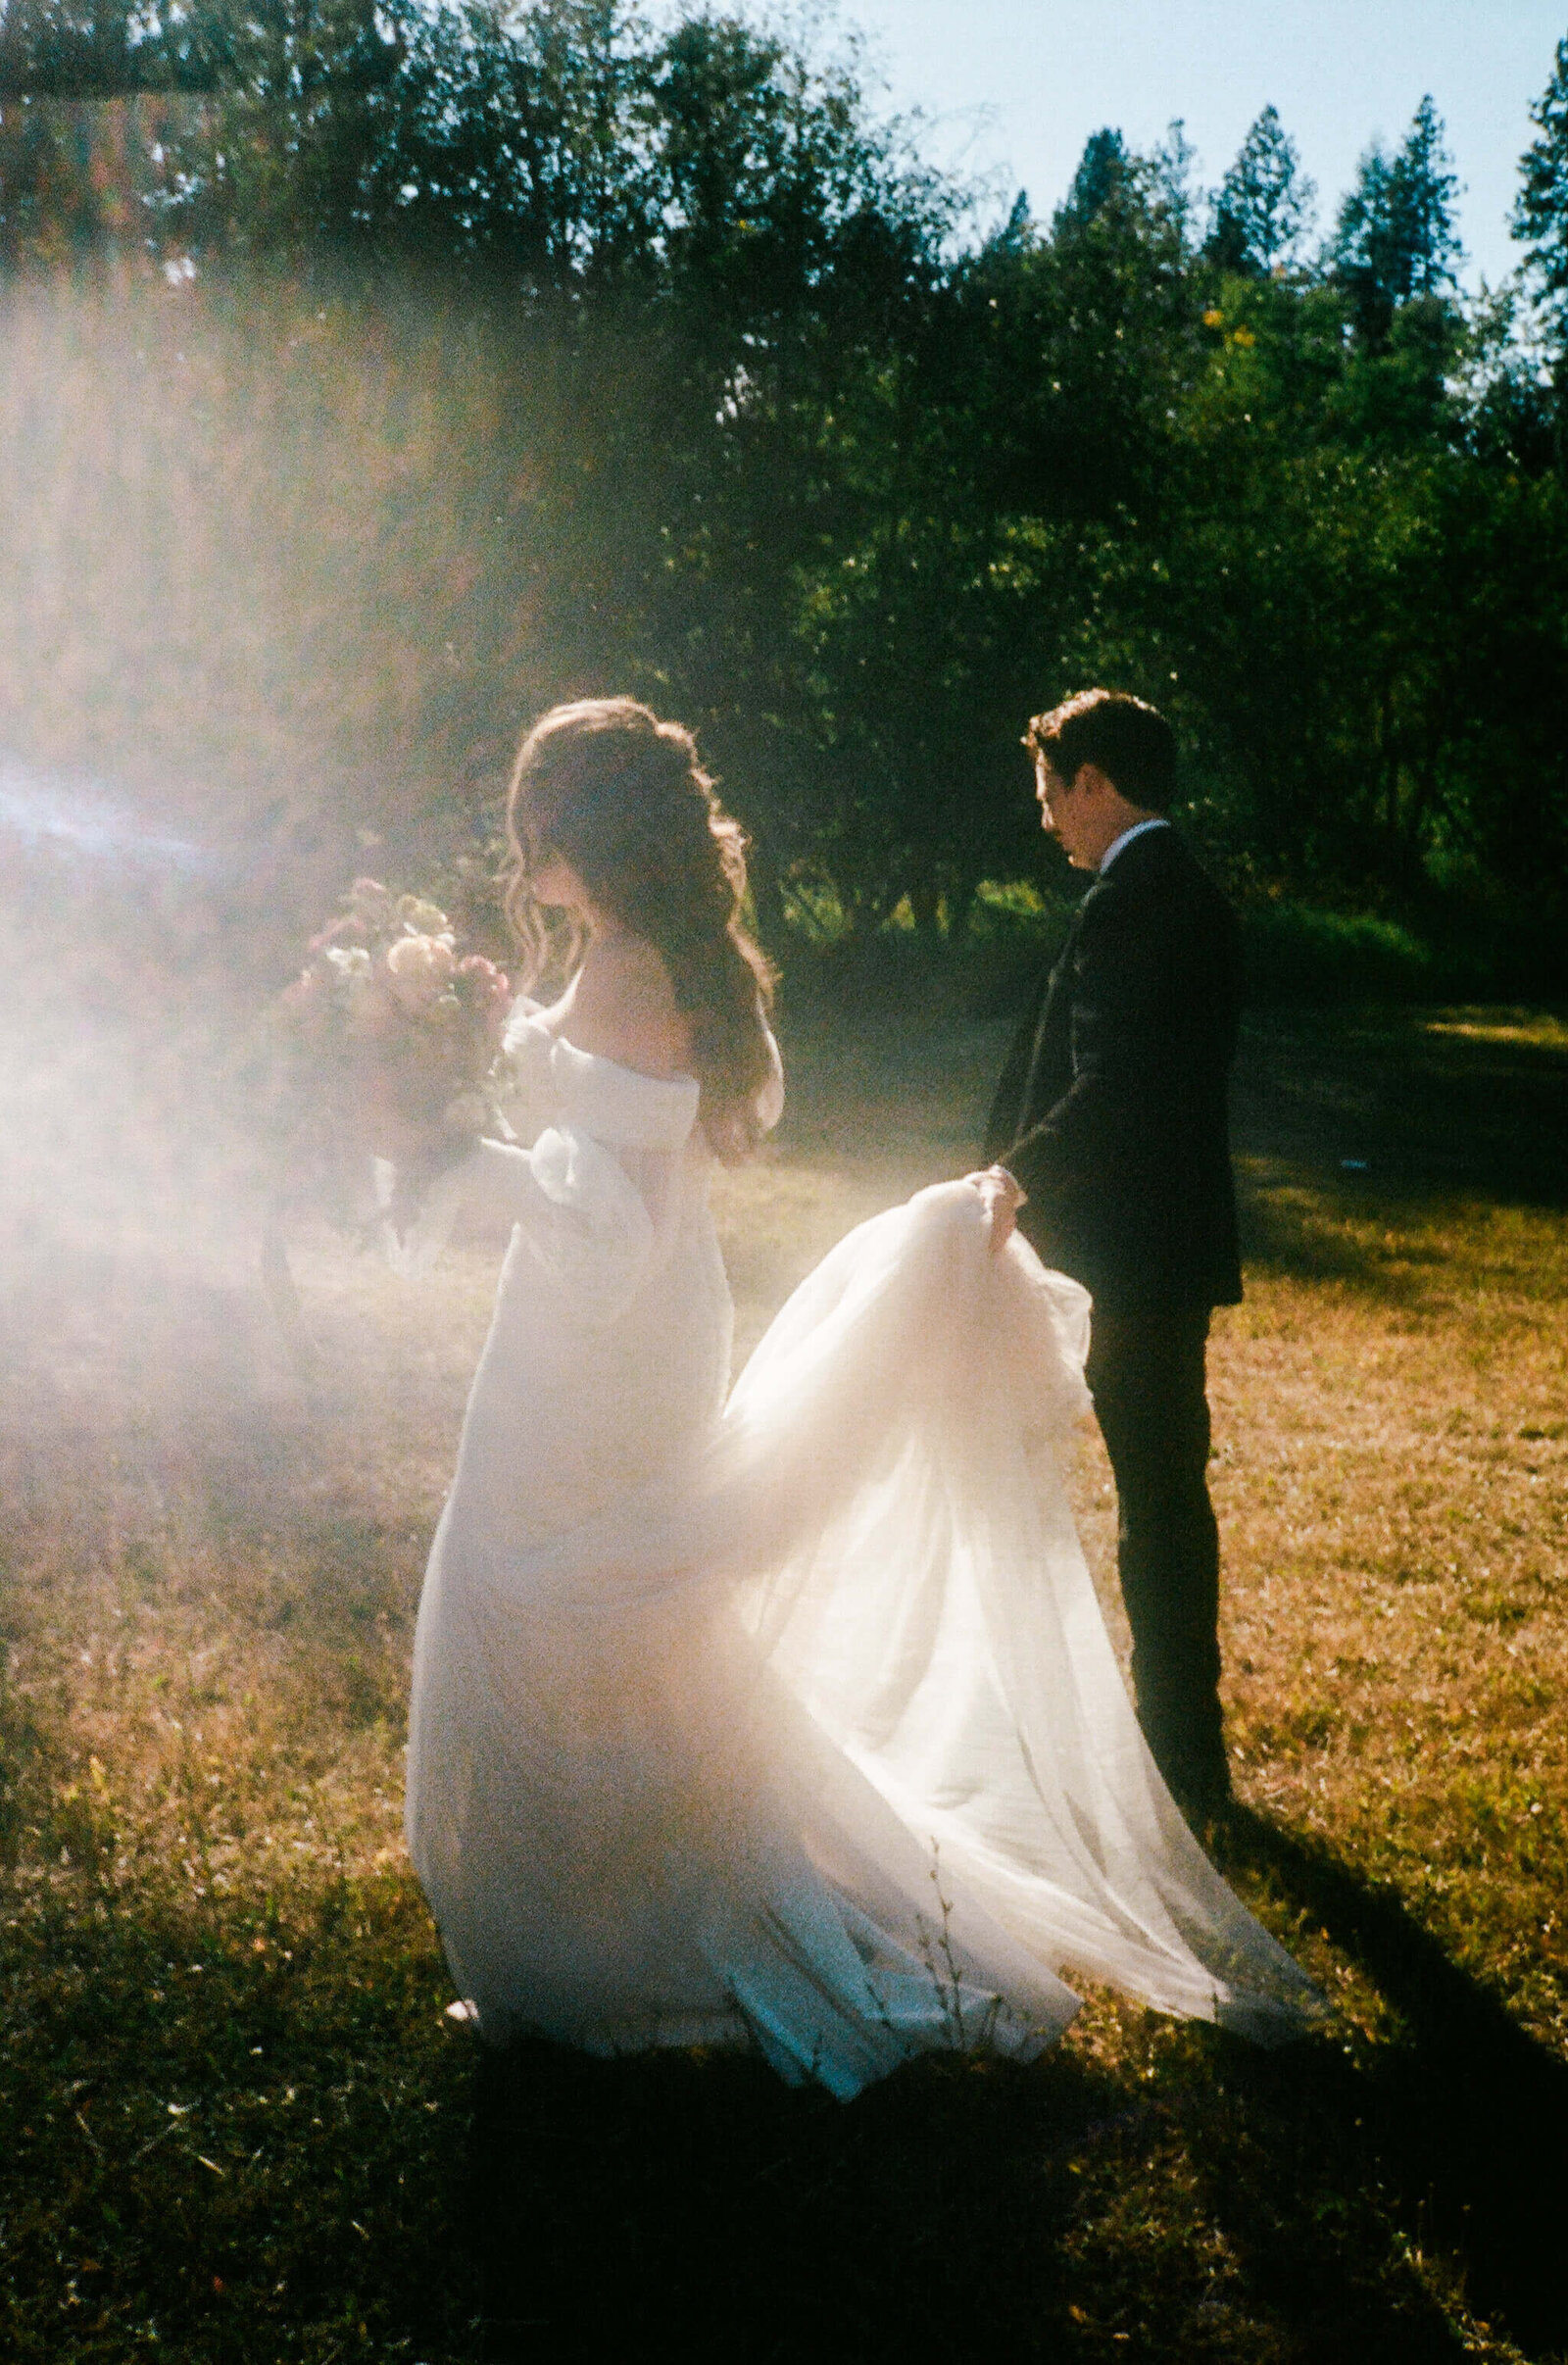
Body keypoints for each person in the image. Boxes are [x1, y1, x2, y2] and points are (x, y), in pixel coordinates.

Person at [401, 695, 1315, 2099]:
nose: (519, 840)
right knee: (610, 1611)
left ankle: (607, 1943)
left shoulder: (633, 970)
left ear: (584, 826)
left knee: (562, 1598)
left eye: (537, 813)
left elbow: (608, 1226)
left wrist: (458, 1155)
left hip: (603, 1335)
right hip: (620, 1326)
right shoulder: (632, 960)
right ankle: (589, 1918)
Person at [978, 689, 1243, 1819]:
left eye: (1050, 792)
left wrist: (1011, 1177)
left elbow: (1118, 1086)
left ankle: (1178, 1752)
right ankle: (1176, 1744)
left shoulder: (1139, 900)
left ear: (1094, 782)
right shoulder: (1171, 889)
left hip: (1127, 1255)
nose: (1045, 820)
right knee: (1163, 1492)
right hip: (1154, 1248)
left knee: (1155, 1500)